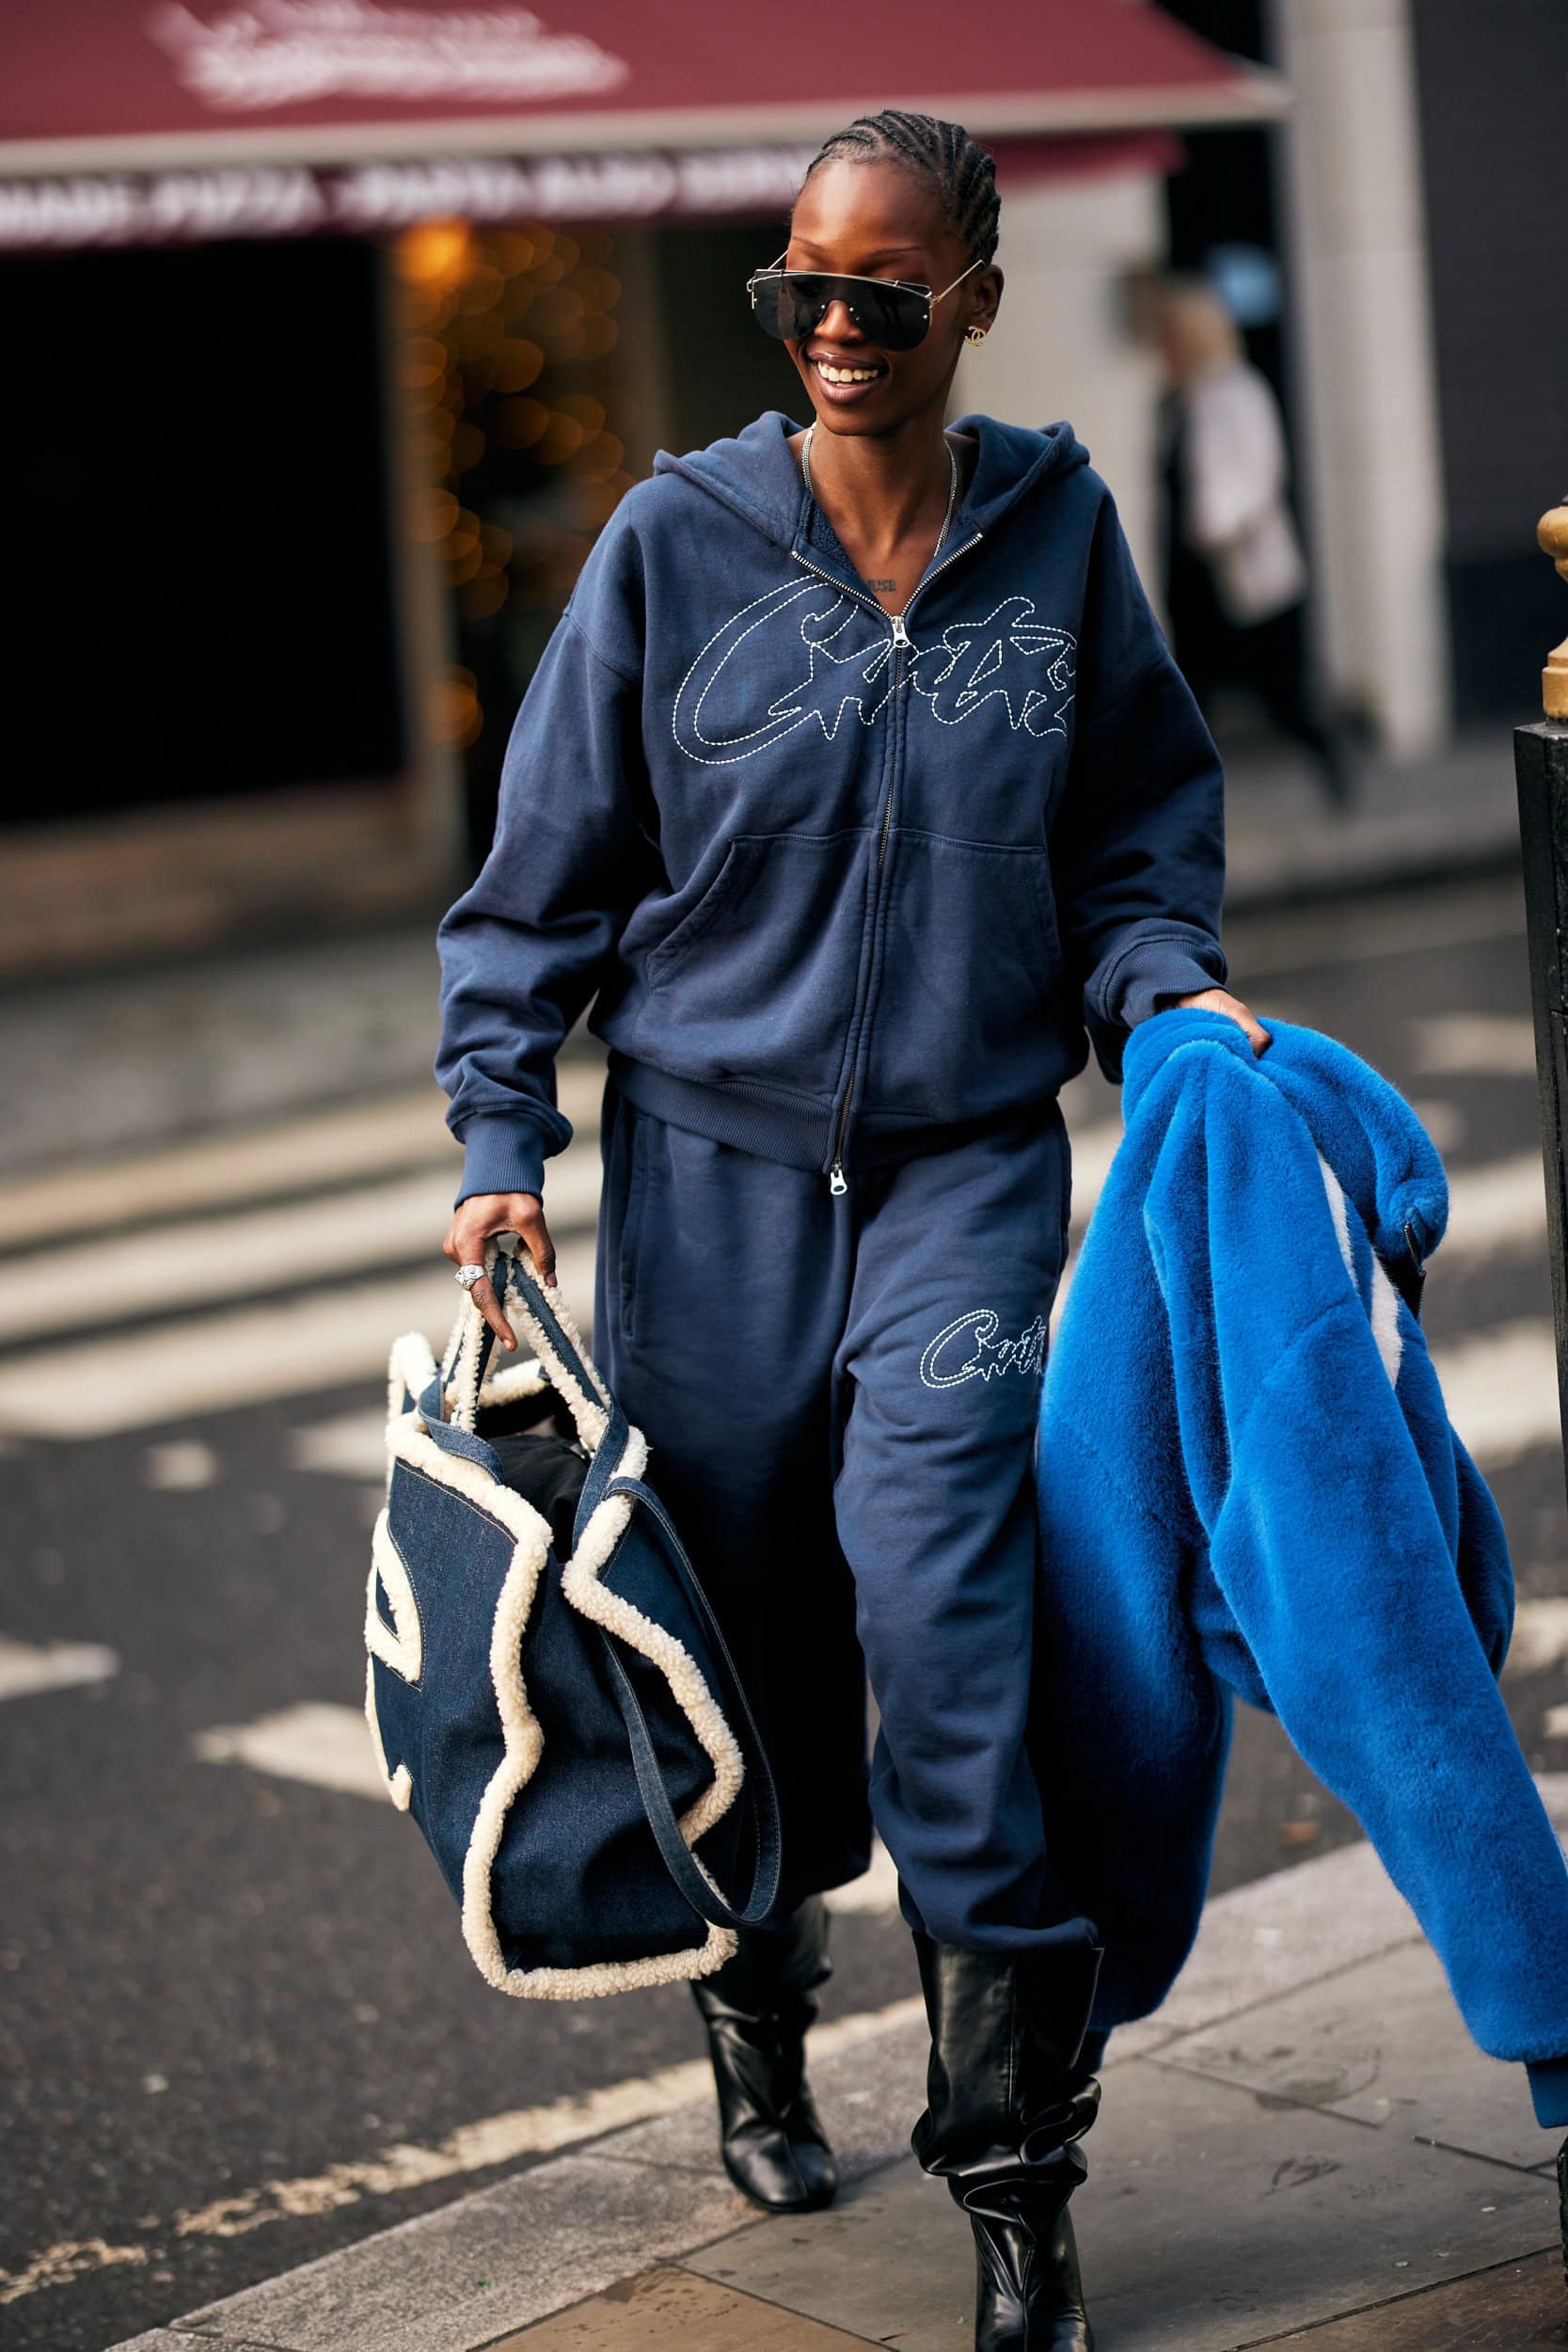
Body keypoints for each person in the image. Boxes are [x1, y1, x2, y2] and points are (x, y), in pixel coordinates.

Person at [435, 110, 1267, 2352]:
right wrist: (499, 1124)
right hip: (703, 1179)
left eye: (879, 292)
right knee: (747, 1643)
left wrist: (1167, 994)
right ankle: (760, 2019)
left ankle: (1017, 2186)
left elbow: (1140, 832)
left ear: (972, 296)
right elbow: (538, 882)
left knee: (951, 1612)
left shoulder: (1062, 533)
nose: (829, 326)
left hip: (963, 1169)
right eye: (796, 285)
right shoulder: (674, 545)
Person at [1152, 276, 1354, 810]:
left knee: (1280, 692)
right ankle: (1190, 808)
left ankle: (1332, 765)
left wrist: (1214, 524)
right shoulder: (1178, 404)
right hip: (1193, 582)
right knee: (1190, 700)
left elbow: (1260, 478)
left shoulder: (1238, 392)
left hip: (1240, 571)